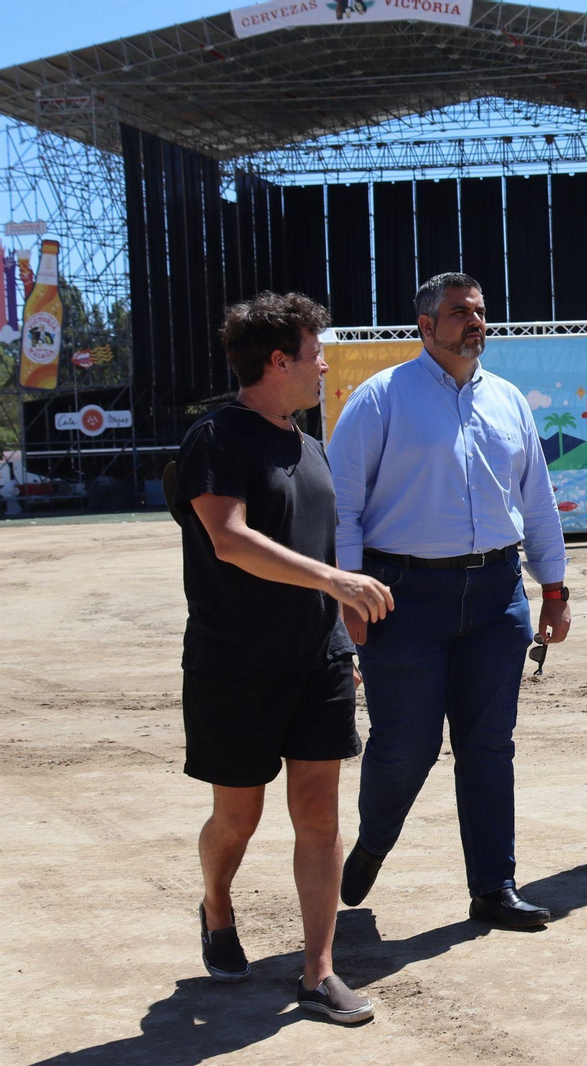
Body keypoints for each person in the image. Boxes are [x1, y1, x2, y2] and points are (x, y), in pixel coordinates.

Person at [327, 272, 571, 927]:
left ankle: (493, 887)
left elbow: (538, 501)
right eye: (460, 312)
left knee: (489, 745)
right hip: (402, 595)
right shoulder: (381, 400)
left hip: (497, 596)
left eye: (481, 311)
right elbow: (342, 508)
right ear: (425, 326)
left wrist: (555, 587)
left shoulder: (510, 402)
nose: (475, 323)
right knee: (405, 745)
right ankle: (374, 842)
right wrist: (349, 594)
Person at [175, 291, 391, 1023]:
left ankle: (317, 970)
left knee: (320, 818)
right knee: (238, 818)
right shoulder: (217, 439)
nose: (324, 364)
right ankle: (216, 905)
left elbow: (317, 548)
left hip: (317, 662)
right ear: (278, 360)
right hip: (233, 663)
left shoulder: (310, 447)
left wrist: (341, 634)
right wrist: (335, 580)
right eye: (315, 351)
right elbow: (228, 538)